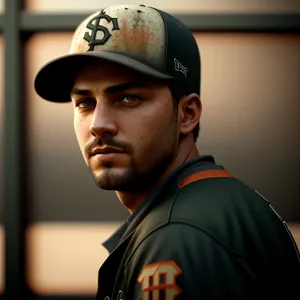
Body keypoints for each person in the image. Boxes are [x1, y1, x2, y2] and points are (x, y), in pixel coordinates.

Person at [34, 4, 300, 300]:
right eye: (84, 103)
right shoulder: (218, 203)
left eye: (129, 98)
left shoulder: (177, 236)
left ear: (187, 113)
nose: (98, 124)